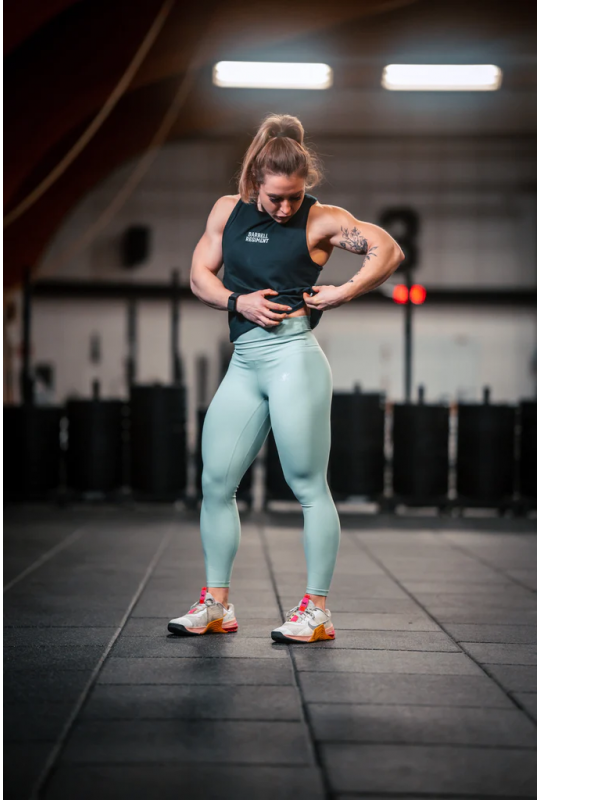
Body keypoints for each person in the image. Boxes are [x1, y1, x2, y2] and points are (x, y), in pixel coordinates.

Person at [168, 113, 404, 643]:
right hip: (245, 363)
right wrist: (237, 300)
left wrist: (343, 291)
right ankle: (216, 605)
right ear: (255, 182)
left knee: (306, 486)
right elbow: (198, 276)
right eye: (275, 197)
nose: (284, 206)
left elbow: (387, 248)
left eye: (294, 196)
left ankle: (316, 610)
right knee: (214, 482)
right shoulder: (227, 211)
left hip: (295, 357)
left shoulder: (321, 219)